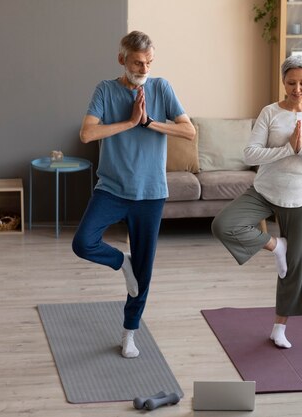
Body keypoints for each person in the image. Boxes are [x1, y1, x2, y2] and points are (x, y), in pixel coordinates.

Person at [72, 31, 195, 358]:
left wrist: (150, 123)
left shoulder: (161, 88)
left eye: (149, 62)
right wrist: (129, 122)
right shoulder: (105, 90)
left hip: (151, 193)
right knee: (83, 243)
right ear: (122, 59)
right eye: (138, 62)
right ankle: (119, 262)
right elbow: (87, 133)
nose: (144, 68)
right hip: (111, 189)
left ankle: (130, 333)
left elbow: (189, 131)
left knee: (145, 270)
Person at [211, 54, 302, 349]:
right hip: (266, 191)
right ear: (283, 82)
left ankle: (279, 328)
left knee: (295, 268)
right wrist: (287, 149)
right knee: (224, 224)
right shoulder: (270, 112)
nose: (297, 88)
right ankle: (276, 246)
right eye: (291, 82)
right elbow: (249, 154)